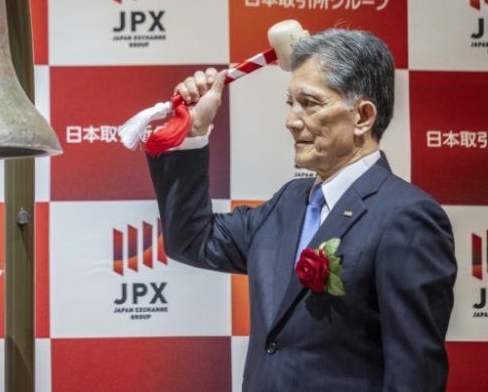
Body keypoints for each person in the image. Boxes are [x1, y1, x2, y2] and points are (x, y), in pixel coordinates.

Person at [147, 29, 457, 391]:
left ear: (363, 116)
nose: (292, 121)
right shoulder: (289, 201)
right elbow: (192, 240)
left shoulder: (407, 217)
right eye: (290, 104)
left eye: (309, 104)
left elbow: (413, 378)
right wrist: (194, 131)